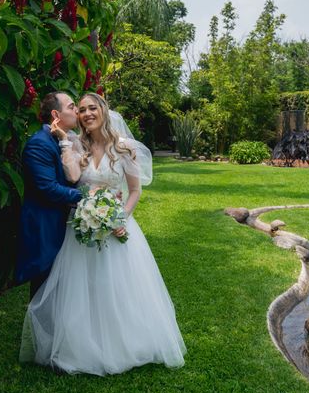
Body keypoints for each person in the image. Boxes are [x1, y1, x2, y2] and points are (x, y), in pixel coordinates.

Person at [19, 93, 186, 376]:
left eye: (91, 108)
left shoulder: (124, 147)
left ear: (103, 111)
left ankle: (124, 343)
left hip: (116, 224)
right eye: (80, 109)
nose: (86, 113)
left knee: (116, 286)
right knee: (81, 289)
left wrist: (120, 216)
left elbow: (135, 191)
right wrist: (64, 142)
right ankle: (83, 344)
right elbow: (72, 178)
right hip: (82, 226)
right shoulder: (74, 143)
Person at [14, 92, 82, 299]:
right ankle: (41, 332)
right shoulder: (39, 143)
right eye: (71, 107)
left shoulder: (65, 139)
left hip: (61, 224)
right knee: (45, 289)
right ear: (56, 114)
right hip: (45, 226)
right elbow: (48, 188)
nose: (77, 111)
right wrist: (85, 197)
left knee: (60, 290)